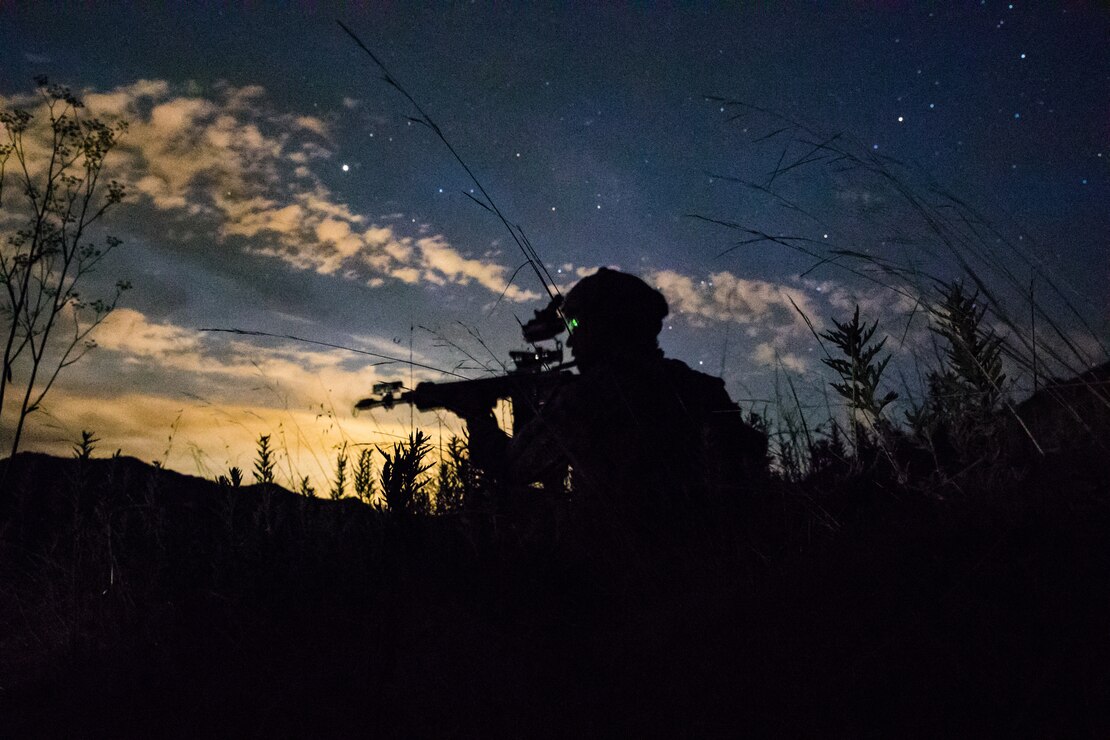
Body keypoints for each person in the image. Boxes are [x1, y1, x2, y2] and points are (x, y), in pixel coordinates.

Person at [454, 268, 768, 511]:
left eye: (576, 326)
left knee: (487, 502)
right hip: (710, 554)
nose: (571, 340)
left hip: (621, 561)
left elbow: (513, 467)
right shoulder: (701, 387)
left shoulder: (588, 396)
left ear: (605, 326)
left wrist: (477, 414)